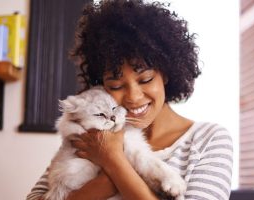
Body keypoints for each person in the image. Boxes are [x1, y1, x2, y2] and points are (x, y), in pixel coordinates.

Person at [26, 0, 233, 199]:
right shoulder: (93, 136)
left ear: (167, 74)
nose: (133, 97)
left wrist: (114, 161)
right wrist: (104, 182)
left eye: (145, 79)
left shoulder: (208, 140)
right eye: (116, 86)